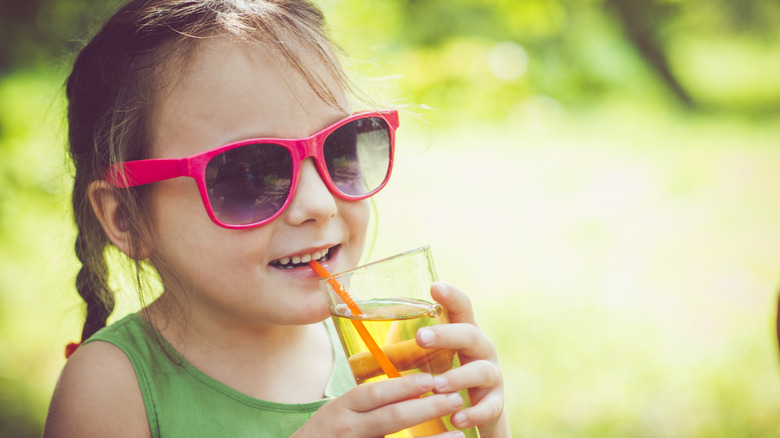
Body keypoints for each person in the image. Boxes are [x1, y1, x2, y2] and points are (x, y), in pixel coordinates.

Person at [43, 1, 510, 437]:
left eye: (341, 146)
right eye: (250, 173)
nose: (319, 204)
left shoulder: (388, 349)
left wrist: (480, 423)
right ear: (125, 217)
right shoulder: (110, 389)